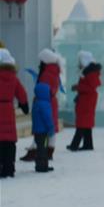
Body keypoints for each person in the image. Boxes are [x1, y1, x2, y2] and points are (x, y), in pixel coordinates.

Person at [20, 48, 62, 162]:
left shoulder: (47, 74)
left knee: (42, 128)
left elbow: (43, 89)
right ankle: (46, 151)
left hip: (45, 102)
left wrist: (38, 97)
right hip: (49, 102)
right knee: (48, 128)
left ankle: (38, 152)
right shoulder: (53, 72)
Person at [0, 49, 29, 178]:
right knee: (9, 140)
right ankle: (10, 167)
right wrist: (24, 105)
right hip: (8, 108)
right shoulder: (13, 77)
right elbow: (22, 94)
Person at [67, 51, 102, 152]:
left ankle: (75, 144)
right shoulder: (88, 71)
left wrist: (78, 87)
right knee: (86, 123)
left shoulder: (90, 72)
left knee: (82, 123)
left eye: (80, 61)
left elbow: (91, 88)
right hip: (86, 100)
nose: (79, 63)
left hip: (87, 101)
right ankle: (88, 144)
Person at [32, 82, 55, 173]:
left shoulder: (36, 102)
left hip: (37, 130)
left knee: (40, 148)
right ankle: (42, 166)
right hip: (43, 130)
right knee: (42, 149)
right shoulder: (44, 104)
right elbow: (47, 118)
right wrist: (51, 128)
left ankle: (40, 165)